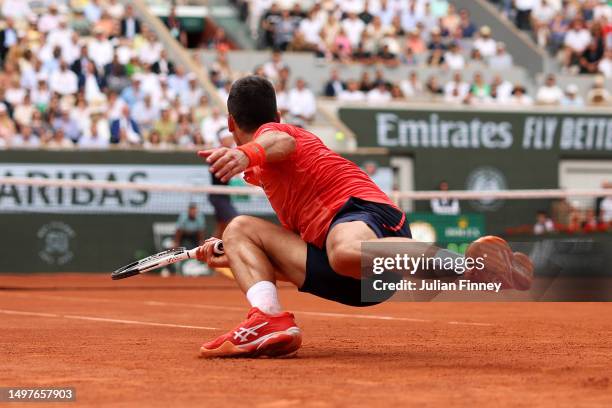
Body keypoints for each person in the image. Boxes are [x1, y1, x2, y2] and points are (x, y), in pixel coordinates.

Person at [193, 76, 533, 358]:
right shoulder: (268, 173)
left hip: (368, 220)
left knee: (342, 251)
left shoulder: (280, 135)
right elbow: (295, 258)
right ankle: (268, 318)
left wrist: (245, 151)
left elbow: (278, 141)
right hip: (360, 283)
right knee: (238, 231)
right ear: (278, 111)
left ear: (231, 124)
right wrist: (234, 258)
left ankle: (466, 267)